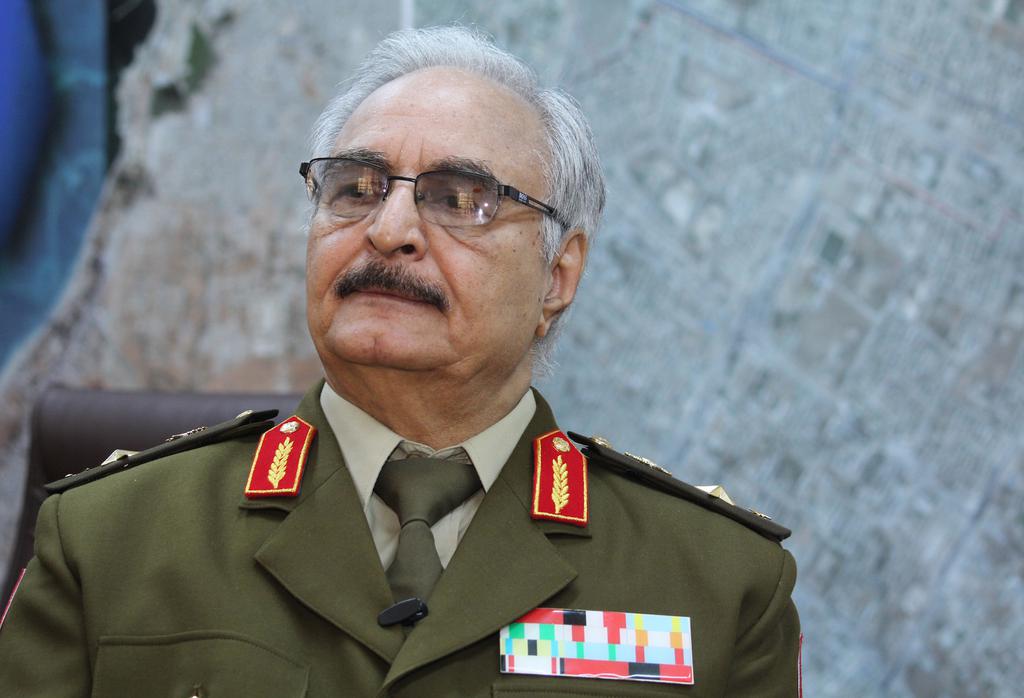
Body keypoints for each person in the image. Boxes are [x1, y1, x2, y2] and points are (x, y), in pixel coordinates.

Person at [0, 25, 801, 697]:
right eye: (354, 187)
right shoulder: (109, 538)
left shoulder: (716, 584)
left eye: (459, 199)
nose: (388, 230)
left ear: (557, 277)